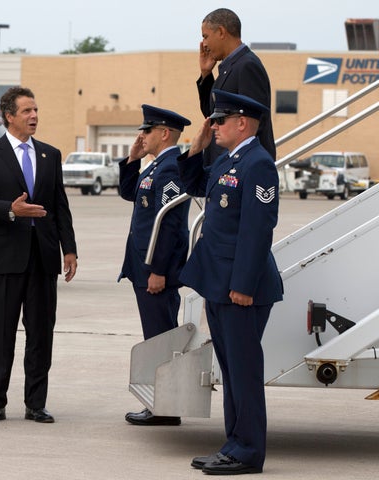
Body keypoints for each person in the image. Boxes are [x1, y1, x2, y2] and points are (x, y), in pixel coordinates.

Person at [178, 90, 283, 475]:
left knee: (244, 371)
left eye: (220, 121)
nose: (214, 125)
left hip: (242, 288)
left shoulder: (258, 164)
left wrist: (243, 285)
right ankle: (233, 444)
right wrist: (195, 148)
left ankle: (249, 451)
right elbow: (196, 186)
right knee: (231, 368)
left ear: (243, 123)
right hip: (220, 284)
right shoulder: (230, 160)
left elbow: (258, 230)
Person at [0, 86, 78, 424]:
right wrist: (10, 210)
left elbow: (60, 204)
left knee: (41, 333)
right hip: (3, 257)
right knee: (0, 333)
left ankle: (36, 403)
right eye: (27, 111)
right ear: (9, 116)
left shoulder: (50, 154)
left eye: (36, 110)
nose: (34, 116)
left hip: (43, 259)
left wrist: (69, 248)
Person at [118, 105, 191, 427]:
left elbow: (170, 224)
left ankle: (165, 407)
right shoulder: (155, 166)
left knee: (160, 337)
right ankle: (161, 403)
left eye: (146, 131)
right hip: (144, 266)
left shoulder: (171, 167)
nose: (141, 136)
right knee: (155, 337)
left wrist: (158, 270)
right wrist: (133, 159)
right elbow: (129, 194)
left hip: (155, 270)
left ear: (164, 134)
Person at [198, 7, 275, 165]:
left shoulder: (247, 66)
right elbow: (213, 116)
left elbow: (252, 125)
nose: (204, 44)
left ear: (221, 32)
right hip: (225, 167)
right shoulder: (229, 67)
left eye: (206, 37)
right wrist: (206, 74)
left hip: (239, 169)